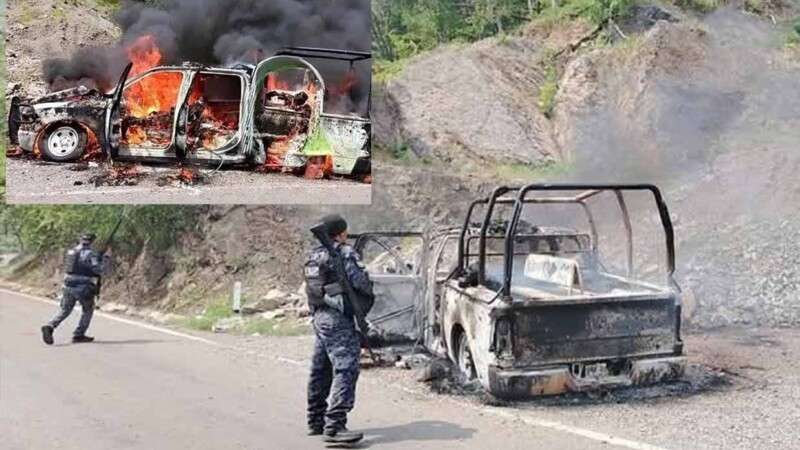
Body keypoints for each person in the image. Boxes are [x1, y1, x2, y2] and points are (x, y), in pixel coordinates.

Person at [305, 215, 373, 444]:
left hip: (319, 316)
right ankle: (334, 426)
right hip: (337, 319)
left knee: (321, 368)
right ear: (341, 233)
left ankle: (316, 421)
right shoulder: (343, 253)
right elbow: (362, 282)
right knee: (346, 369)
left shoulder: (314, 255)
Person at [41, 233, 109, 345]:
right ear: (92, 242)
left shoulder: (71, 252)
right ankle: (79, 335)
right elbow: (99, 270)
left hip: (68, 284)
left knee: (65, 310)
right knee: (87, 310)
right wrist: (105, 258)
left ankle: (50, 325)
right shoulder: (91, 255)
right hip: (84, 286)